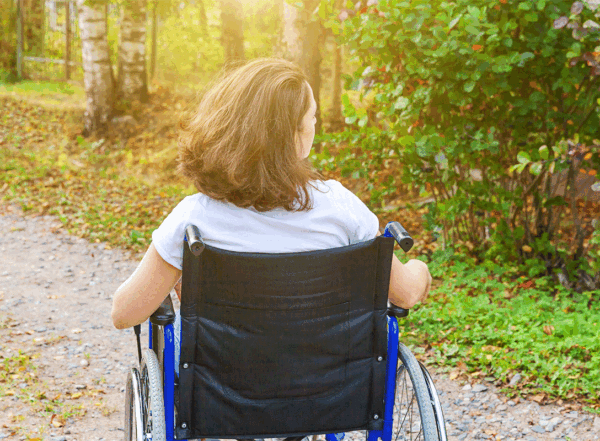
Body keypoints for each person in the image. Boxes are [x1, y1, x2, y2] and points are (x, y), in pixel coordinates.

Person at [111, 58, 432, 332]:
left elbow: (124, 313)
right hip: (331, 392)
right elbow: (404, 294)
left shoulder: (194, 220)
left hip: (220, 393)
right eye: (312, 119)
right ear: (293, 136)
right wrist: (420, 271)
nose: (314, 127)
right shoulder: (342, 208)